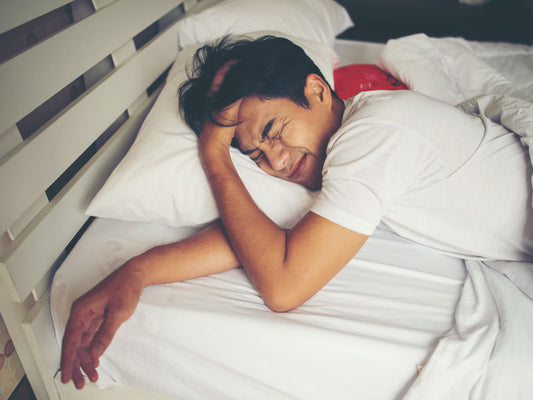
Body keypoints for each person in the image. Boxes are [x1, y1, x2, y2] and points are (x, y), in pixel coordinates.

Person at [60, 35, 533, 389]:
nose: (278, 161)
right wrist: (137, 272)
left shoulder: (373, 137)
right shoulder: (333, 151)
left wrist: (216, 159)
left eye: (274, 130)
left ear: (316, 90)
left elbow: (284, 285)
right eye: (258, 155)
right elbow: (262, 236)